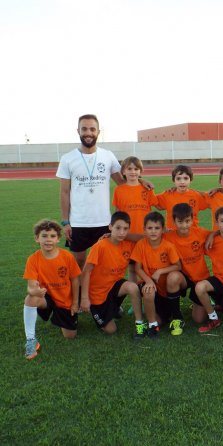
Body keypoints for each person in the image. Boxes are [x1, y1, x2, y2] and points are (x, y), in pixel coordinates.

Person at [57, 114, 124, 269]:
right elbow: (64, 192)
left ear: (98, 132)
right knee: (78, 263)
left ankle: (99, 293)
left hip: (104, 222)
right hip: (78, 222)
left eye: (92, 129)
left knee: (102, 263)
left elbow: (123, 183)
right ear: (78, 131)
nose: (88, 132)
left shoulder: (108, 156)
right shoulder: (68, 158)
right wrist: (65, 222)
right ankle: (80, 293)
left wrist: (142, 181)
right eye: (84, 129)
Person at [23, 220, 81, 359]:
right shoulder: (33, 259)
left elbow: (75, 280)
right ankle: (31, 340)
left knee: (70, 336)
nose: (48, 240)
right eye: (44, 236)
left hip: (64, 300)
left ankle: (61, 317)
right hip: (46, 297)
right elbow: (31, 287)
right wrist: (34, 292)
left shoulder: (67, 256)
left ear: (58, 239)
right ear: (37, 238)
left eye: (52, 236)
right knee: (30, 298)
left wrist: (74, 303)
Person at [80, 212, 142, 336]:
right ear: (110, 227)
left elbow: (147, 237)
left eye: (125, 229)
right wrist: (85, 298)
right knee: (111, 330)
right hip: (97, 294)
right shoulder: (100, 246)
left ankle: (139, 324)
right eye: (118, 228)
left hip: (114, 286)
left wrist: (126, 236)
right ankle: (108, 311)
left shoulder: (128, 244)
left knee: (132, 287)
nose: (121, 232)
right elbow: (86, 272)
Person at [131, 212, 184, 337]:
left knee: (174, 277)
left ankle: (177, 317)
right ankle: (152, 325)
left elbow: (178, 266)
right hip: (153, 287)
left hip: (167, 287)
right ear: (144, 230)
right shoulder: (141, 245)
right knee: (148, 291)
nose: (153, 231)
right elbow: (137, 268)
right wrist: (148, 281)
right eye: (150, 228)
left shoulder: (168, 246)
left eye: (157, 228)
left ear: (163, 229)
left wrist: (160, 271)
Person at [162, 203, 212, 327]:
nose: (184, 225)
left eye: (187, 221)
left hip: (200, 279)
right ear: (173, 221)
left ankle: (200, 300)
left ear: (192, 219)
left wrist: (212, 235)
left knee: (199, 319)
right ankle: (177, 317)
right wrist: (113, 236)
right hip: (183, 278)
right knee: (172, 277)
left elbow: (217, 233)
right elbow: (148, 236)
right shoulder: (168, 237)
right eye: (180, 221)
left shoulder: (200, 232)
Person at [156, 165, 207, 231]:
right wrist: (140, 181)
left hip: (191, 235)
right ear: (173, 180)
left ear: (190, 180)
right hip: (172, 235)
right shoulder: (168, 194)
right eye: (178, 178)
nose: (182, 182)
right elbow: (154, 202)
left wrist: (218, 189)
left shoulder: (196, 195)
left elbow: (214, 199)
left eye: (186, 178)